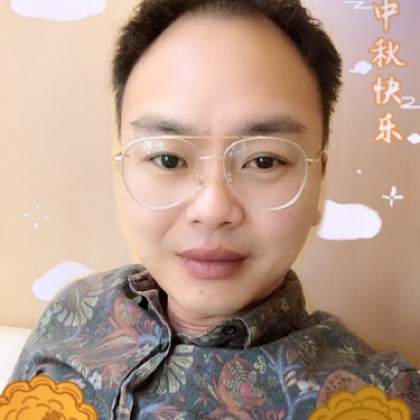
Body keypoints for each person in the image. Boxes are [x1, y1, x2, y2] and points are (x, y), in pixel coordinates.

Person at [10, 0, 420, 418]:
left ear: (318, 180)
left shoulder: (381, 398)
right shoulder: (72, 310)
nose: (212, 209)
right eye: (168, 158)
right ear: (122, 169)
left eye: (264, 161)